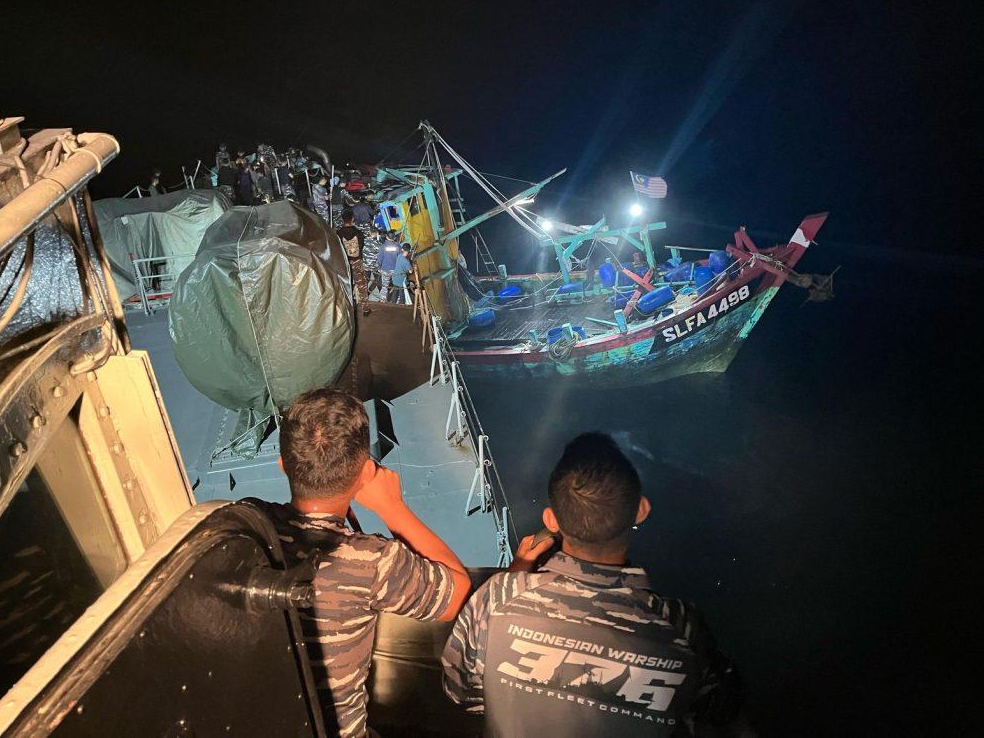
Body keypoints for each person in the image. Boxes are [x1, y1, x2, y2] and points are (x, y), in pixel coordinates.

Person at [441, 433, 742, 736]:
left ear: (551, 520)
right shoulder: (681, 626)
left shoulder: (498, 597)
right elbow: (720, 707)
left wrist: (515, 574)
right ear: (641, 510)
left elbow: (460, 691)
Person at [246, 389, 471, 737]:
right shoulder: (372, 561)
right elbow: (456, 594)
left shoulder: (246, 523)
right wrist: (393, 508)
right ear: (367, 472)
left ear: (283, 464)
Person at [338, 208, 367, 303]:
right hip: (357, 261)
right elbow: (361, 246)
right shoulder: (359, 233)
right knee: (361, 285)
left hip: (343, 263)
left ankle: (347, 304)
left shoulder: (338, 234)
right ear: (352, 219)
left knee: (345, 284)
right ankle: (364, 306)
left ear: (342, 219)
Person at [375, 230, 401, 300]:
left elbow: (380, 259)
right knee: (397, 285)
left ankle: (383, 299)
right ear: (394, 238)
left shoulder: (382, 247)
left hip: (385, 269)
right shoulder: (398, 246)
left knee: (385, 286)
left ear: (386, 237)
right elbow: (400, 258)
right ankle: (398, 299)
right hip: (395, 270)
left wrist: (378, 267)